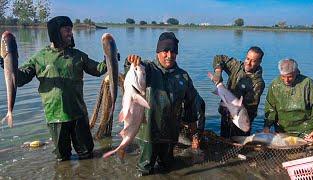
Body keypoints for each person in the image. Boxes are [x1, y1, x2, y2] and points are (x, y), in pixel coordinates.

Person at [0, 16, 107, 161]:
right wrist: (7, 65)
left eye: (71, 30)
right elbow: (20, 79)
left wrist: (109, 60)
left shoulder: (77, 55)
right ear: (55, 32)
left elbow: (97, 69)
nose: (70, 33)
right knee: (62, 158)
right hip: (55, 115)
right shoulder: (40, 57)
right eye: (67, 30)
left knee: (87, 153)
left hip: (78, 113)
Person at [125, 32, 205, 175]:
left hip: (170, 133)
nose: (169, 55)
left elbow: (191, 107)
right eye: (165, 51)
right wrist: (130, 61)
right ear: (158, 52)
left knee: (168, 168)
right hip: (148, 132)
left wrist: (194, 136)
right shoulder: (147, 69)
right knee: (145, 169)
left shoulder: (183, 76)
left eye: (173, 51)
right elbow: (132, 72)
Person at [211, 46, 265, 138]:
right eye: (247, 59)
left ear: (259, 62)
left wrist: (234, 112)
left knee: (238, 142)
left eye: (253, 61)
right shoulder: (237, 66)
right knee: (224, 139)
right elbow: (219, 58)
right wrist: (218, 71)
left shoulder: (258, 83)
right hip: (226, 113)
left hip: (242, 118)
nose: (248, 63)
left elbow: (249, 107)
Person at [263, 59, 313, 141]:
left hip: (305, 128)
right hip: (282, 128)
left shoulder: (307, 83)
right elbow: (270, 108)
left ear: (296, 72)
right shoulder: (274, 84)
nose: (286, 80)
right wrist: (266, 127)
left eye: (290, 76)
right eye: (283, 76)